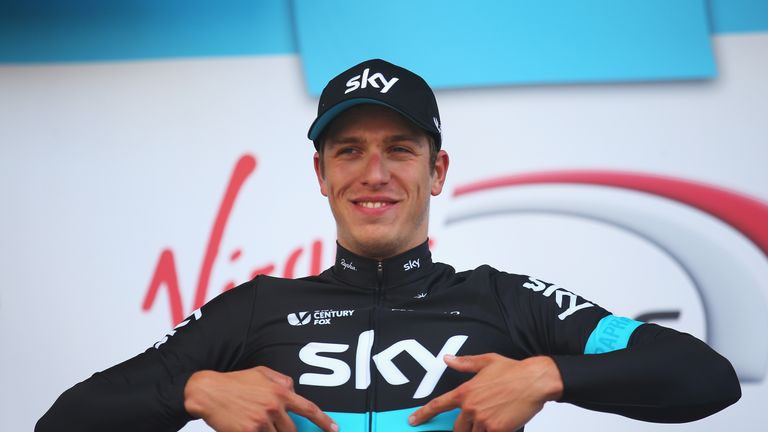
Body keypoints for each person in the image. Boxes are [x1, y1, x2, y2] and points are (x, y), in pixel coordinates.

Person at [37, 59, 741, 432]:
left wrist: (548, 376)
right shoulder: (256, 309)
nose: (374, 174)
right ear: (322, 174)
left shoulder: (505, 299)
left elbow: (705, 378)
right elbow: (64, 421)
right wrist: (193, 390)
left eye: (400, 150)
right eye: (349, 151)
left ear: (437, 170)